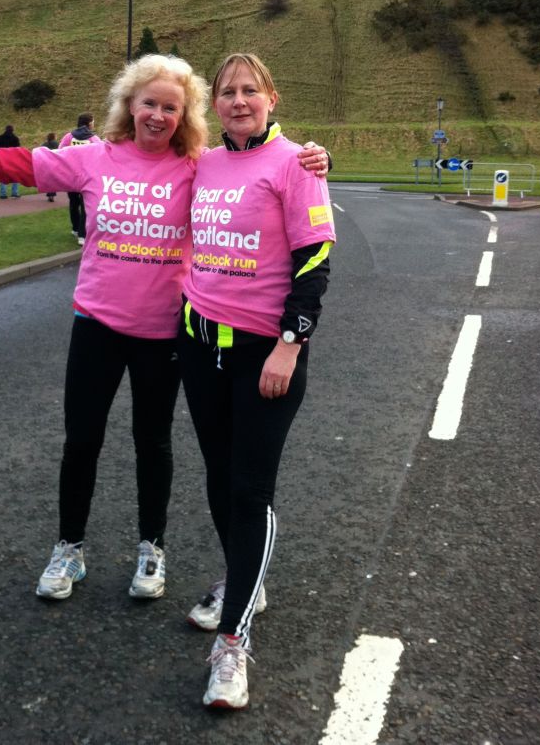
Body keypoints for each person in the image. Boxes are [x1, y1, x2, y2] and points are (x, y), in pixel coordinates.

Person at [0, 55, 329, 609]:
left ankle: (152, 548)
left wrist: (317, 158)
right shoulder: (94, 158)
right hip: (96, 325)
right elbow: (20, 164)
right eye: (149, 103)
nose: (158, 115)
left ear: (185, 115)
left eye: (170, 107)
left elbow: (262, 165)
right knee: (81, 440)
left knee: (153, 443)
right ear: (129, 105)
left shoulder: (197, 165)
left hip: (163, 335)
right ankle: (69, 548)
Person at [177, 52, 336, 710]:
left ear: (272, 97)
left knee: (249, 491)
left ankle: (233, 642)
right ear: (213, 103)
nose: (239, 101)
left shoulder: (297, 164)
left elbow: (315, 259)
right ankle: (248, 580)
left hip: (264, 356)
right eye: (227, 92)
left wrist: (289, 345)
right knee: (219, 479)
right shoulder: (204, 162)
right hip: (199, 348)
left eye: (250, 90)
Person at [58, 113, 101, 243]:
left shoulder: (68, 137)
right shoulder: (93, 139)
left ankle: (75, 228)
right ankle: (82, 235)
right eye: (93, 121)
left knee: (73, 203)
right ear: (89, 123)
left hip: (70, 176)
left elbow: (60, 152)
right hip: (86, 177)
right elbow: (101, 156)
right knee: (84, 206)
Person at [0, 125, 21, 198]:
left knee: (3, 176)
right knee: (15, 176)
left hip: (2, 159)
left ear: (5, 129)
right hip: (13, 159)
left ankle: (3, 193)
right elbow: (18, 150)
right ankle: (14, 192)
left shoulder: (0, 137)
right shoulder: (15, 138)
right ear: (13, 130)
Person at [41, 133, 59, 201]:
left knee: (48, 179)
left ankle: (49, 194)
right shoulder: (56, 144)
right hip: (54, 163)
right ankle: (52, 195)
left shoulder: (44, 144)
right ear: (53, 137)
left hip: (46, 163)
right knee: (53, 180)